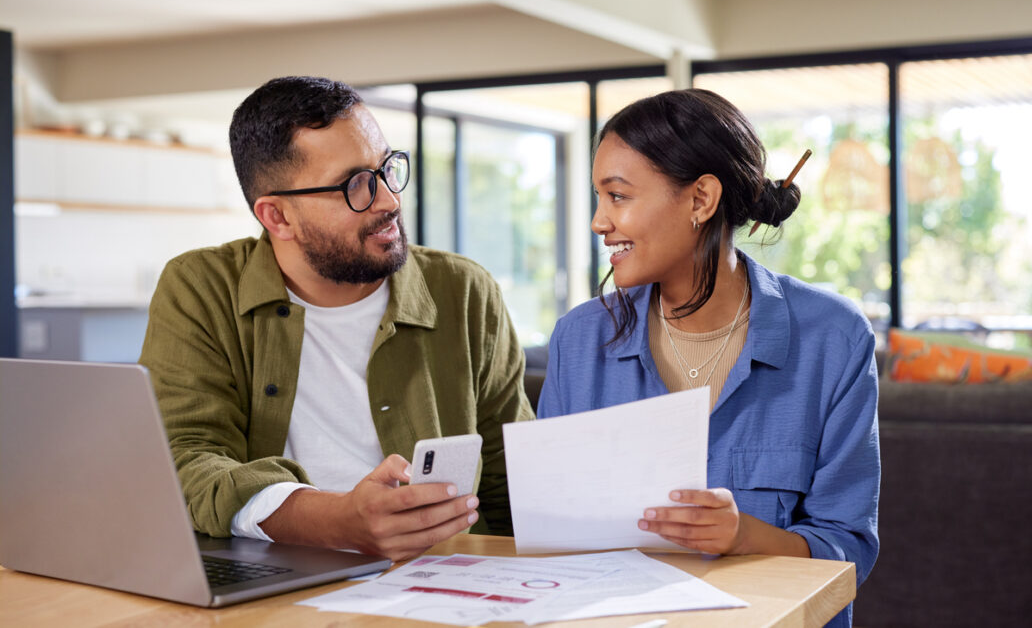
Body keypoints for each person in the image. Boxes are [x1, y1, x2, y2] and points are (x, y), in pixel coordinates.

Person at [139, 76, 534, 562]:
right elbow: (186, 459)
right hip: (275, 577)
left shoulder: (464, 290)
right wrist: (338, 521)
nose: (389, 200)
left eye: (387, 169)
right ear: (277, 217)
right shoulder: (201, 287)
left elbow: (512, 473)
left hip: (446, 574)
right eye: (356, 186)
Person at [537, 89, 879, 628]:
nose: (599, 222)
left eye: (618, 196)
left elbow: (848, 551)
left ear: (700, 199)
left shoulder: (833, 338)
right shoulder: (578, 341)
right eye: (598, 198)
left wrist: (744, 536)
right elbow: (550, 535)